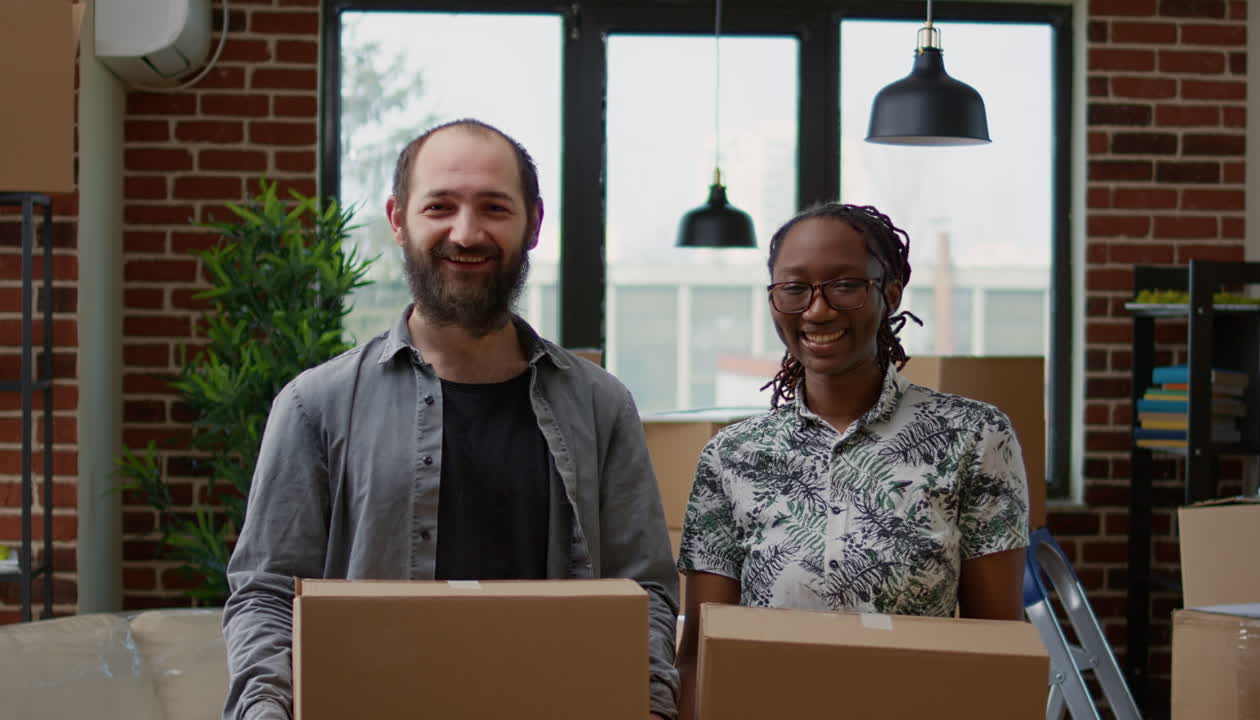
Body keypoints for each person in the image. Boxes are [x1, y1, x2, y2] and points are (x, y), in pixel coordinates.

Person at [222, 119, 678, 720]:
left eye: (494, 207)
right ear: (397, 219)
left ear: (533, 224)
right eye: (440, 206)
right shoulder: (315, 405)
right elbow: (266, 595)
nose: (467, 233)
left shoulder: (601, 406)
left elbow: (644, 596)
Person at [674, 202, 1029, 719]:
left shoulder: (974, 437)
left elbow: (997, 649)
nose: (817, 311)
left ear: (889, 293)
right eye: (794, 289)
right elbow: (701, 659)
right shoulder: (732, 457)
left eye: (844, 285)